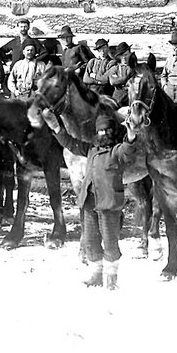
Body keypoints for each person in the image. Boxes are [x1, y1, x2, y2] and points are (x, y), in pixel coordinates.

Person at [41, 105, 139, 288]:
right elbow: (70, 142)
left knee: (110, 243)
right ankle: (96, 275)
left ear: (113, 133)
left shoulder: (117, 151)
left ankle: (111, 279)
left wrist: (131, 133)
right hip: (89, 202)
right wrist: (56, 128)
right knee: (91, 241)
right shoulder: (91, 150)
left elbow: (128, 148)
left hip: (109, 205)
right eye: (100, 131)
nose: (103, 134)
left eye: (107, 131)